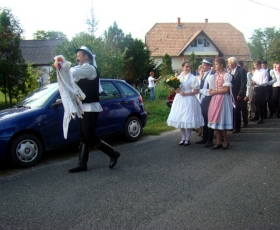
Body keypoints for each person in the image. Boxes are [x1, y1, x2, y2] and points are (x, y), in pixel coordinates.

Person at [68, 46, 120, 173]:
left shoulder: (89, 68)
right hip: (81, 107)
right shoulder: (81, 70)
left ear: (87, 56)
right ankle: (82, 164)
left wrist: (63, 65)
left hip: (90, 107)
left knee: (89, 135)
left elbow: (72, 72)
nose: (77, 58)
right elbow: (71, 80)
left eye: (79, 56)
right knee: (82, 135)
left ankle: (113, 153)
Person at [167, 61, 204, 146]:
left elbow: (196, 90)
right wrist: (177, 90)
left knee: (189, 118)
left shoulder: (193, 78)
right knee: (181, 118)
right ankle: (183, 137)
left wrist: (186, 93)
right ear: (182, 67)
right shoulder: (178, 78)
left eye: (189, 67)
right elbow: (175, 89)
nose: (188, 68)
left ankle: (188, 138)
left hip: (189, 99)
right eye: (186, 66)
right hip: (179, 99)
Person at [208, 57, 233, 150]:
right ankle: (218, 142)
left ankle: (226, 141)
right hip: (215, 99)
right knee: (215, 121)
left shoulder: (227, 75)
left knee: (221, 120)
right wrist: (211, 90)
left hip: (222, 99)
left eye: (216, 64)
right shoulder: (215, 75)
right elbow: (212, 87)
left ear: (222, 65)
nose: (215, 66)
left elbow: (226, 90)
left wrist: (214, 92)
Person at [195, 58, 215, 147]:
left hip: (208, 99)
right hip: (203, 99)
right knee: (204, 120)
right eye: (202, 65)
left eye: (204, 65)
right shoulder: (205, 74)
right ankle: (205, 138)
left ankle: (210, 140)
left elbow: (211, 90)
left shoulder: (212, 75)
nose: (202, 66)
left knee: (209, 120)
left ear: (209, 66)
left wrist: (200, 90)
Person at [227, 57, 247, 133]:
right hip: (231, 94)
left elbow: (243, 83)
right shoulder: (230, 71)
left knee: (237, 110)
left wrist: (240, 94)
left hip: (238, 94)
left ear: (234, 63)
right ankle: (232, 125)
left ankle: (237, 127)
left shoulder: (241, 71)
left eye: (229, 63)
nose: (228, 65)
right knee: (232, 110)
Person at [250, 59, 268, 124]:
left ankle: (261, 117)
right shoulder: (256, 72)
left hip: (261, 88)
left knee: (260, 103)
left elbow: (265, 82)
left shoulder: (264, 72)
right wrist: (252, 82)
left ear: (259, 65)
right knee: (255, 102)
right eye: (254, 65)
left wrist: (256, 82)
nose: (255, 67)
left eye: (256, 65)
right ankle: (256, 116)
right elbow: (253, 79)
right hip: (255, 88)